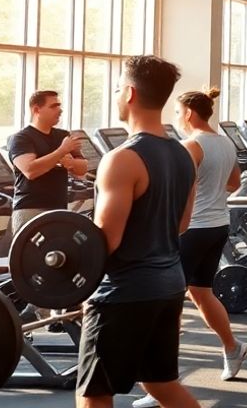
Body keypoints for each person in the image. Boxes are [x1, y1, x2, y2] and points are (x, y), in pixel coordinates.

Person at [76, 55, 199, 408]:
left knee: (94, 393)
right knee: (161, 384)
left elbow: (106, 241)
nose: (115, 95)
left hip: (124, 292)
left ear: (129, 93)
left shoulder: (122, 159)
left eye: (117, 88)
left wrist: (73, 281)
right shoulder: (183, 155)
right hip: (169, 285)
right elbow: (182, 224)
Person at [131, 87, 247, 408]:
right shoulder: (225, 141)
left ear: (188, 113)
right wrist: (211, 192)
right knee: (201, 292)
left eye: (176, 113)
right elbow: (235, 183)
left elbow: (177, 188)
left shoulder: (191, 145)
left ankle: (160, 382)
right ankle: (232, 348)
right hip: (217, 225)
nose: (175, 119)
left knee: (168, 303)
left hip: (192, 231)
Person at [6, 91, 89, 239]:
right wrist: (61, 151)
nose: (60, 110)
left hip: (58, 208)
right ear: (36, 110)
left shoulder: (63, 135)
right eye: (54, 106)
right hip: (30, 209)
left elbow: (82, 168)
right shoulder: (21, 138)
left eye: (59, 105)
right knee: (30, 258)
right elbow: (30, 170)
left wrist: (70, 163)